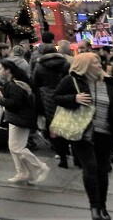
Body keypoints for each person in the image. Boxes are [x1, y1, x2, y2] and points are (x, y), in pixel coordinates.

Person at [54, 52, 113, 220]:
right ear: (85, 65)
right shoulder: (72, 80)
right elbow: (56, 97)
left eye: (100, 62)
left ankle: (103, 206)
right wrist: (74, 98)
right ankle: (94, 206)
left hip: (105, 133)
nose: (100, 64)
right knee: (91, 167)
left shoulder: (109, 83)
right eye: (95, 62)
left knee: (102, 170)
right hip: (82, 133)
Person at [0, 57, 49, 185]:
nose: (0, 71)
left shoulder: (13, 84)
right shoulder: (19, 82)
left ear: (7, 70)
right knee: (15, 146)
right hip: (22, 118)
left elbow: (14, 103)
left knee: (16, 147)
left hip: (19, 118)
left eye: (1, 69)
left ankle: (40, 167)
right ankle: (23, 172)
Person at [32, 35, 73, 168]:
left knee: (53, 128)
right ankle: (70, 151)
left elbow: (35, 82)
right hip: (64, 96)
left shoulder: (39, 66)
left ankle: (62, 157)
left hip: (47, 99)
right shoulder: (65, 63)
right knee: (66, 125)